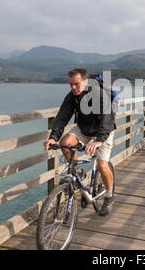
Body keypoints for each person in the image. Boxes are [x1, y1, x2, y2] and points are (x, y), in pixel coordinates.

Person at [43, 68, 116, 216]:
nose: (73, 88)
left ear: (85, 81)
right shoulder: (72, 96)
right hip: (84, 129)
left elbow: (107, 118)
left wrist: (99, 140)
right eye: (71, 84)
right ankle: (79, 174)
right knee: (65, 143)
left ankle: (109, 197)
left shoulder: (99, 94)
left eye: (76, 84)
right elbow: (62, 117)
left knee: (102, 164)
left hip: (104, 130)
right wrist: (53, 137)